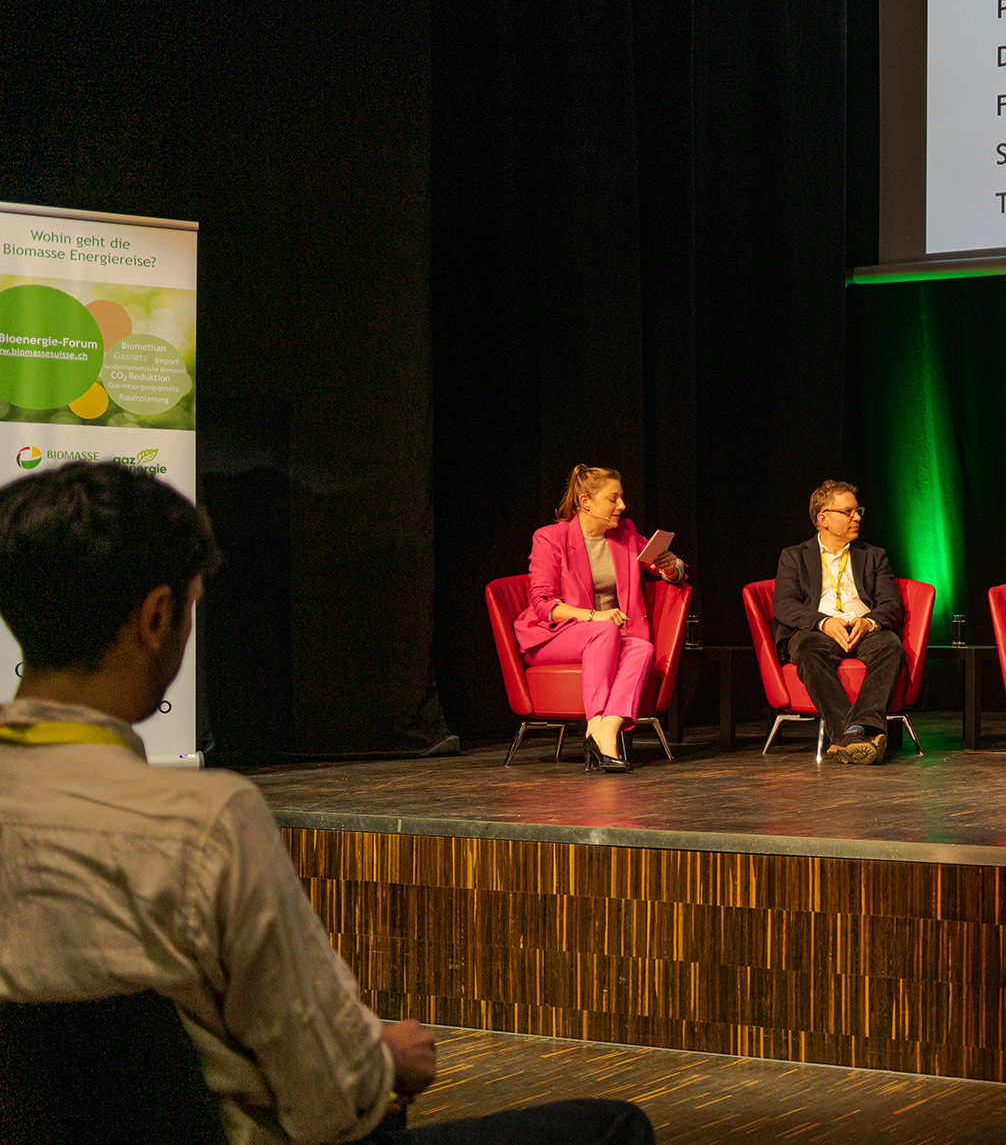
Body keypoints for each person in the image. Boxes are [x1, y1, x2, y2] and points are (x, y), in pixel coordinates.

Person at [0, 462, 652, 1145]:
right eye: (193, 607)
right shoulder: (204, 824)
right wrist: (387, 1059)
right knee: (614, 1127)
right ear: (158, 616)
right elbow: (327, 1095)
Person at [515, 465, 687, 772]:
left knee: (642, 648)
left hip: (606, 636)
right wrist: (595, 616)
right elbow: (543, 603)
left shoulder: (625, 535)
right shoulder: (551, 537)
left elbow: (661, 568)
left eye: (621, 498)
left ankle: (608, 729)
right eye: (612, 499)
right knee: (605, 630)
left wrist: (672, 567)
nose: (621, 505)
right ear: (585, 502)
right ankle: (594, 724)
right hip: (552, 636)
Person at [771, 480, 906, 765]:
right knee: (806, 649)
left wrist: (869, 623)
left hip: (861, 629)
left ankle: (853, 733)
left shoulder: (873, 555)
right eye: (848, 512)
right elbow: (784, 605)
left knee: (890, 645)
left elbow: (891, 604)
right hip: (816, 631)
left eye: (858, 511)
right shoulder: (794, 556)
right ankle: (857, 734)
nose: (857, 517)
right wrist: (823, 622)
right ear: (823, 519)